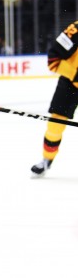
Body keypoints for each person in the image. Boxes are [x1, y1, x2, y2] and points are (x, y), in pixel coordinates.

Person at [31, 19, 78, 177]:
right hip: (70, 83)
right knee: (55, 126)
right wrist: (73, 74)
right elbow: (53, 57)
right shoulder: (75, 29)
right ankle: (47, 159)